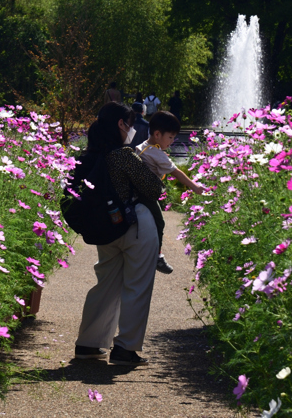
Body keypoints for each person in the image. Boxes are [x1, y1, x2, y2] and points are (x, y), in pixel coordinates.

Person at [74, 102, 163, 365]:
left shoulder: (89, 155)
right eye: (130, 122)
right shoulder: (124, 155)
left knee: (106, 284)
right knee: (137, 286)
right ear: (120, 125)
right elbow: (153, 189)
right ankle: (125, 348)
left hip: (106, 227)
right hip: (135, 225)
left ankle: (89, 344)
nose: (133, 128)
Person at [135, 111, 209, 275]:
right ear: (157, 134)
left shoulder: (142, 147)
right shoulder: (157, 153)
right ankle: (157, 256)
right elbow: (176, 172)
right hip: (146, 196)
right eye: (170, 137)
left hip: (134, 193)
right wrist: (194, 186)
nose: (172, 141)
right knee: (159, 222)